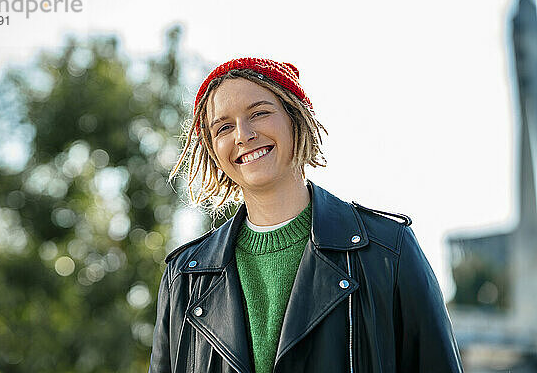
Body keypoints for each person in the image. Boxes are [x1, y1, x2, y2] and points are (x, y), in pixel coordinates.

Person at [148, 57, 464, 373]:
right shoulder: (184, 278)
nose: (243, 135)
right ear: (213, 149)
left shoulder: (389, 250)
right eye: (224, 127)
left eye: (259, 113)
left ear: (296, 118)